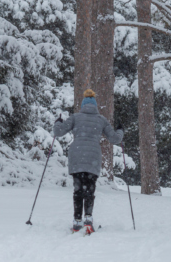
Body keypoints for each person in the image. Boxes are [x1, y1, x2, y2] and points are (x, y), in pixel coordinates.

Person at [54, 89, 124, 233]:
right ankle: (88, 218)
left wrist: (57, 122)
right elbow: (115, 139)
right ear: (95, 106)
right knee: (90, 189)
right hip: (93, 158)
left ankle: (77, 220)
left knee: (78, 189)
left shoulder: (75, 118)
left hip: (77, 156)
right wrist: (120, 130)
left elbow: (58, 132)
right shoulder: (101, 120)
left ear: (83, 105)